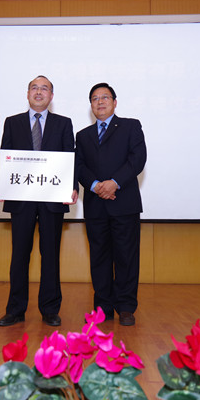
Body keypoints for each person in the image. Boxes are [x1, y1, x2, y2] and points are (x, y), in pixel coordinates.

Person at [0, 75, 77, 327]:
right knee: (19, 254)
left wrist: (72, 186)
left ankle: (50, 310)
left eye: (44, 88)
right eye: (34, 88)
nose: (39, 92)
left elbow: (70, 157)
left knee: (50, 255)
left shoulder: (63, 123)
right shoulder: (13, 122)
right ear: (28, 94)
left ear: (51, 96)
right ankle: (15, 310)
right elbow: (4, 154)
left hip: (52, 198)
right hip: (22, 198)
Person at [75, 82, 147, 326]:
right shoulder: (83, 136)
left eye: (105, 97)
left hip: (124, 203)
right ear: (91, 105)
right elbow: (79, 166)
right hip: (95, 205)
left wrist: (114, 183)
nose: (100, 102)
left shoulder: (130, 126)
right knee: (99, 257)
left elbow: (137, 159)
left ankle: (125, 307)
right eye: (95, 98)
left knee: (126, 257)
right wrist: (96, 185)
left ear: (115, 102)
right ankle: (102, 308)